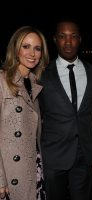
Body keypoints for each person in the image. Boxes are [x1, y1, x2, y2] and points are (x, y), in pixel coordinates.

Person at [39, 18, 92, 200]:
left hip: (85, 154)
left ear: (80, 40)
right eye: (62, 36)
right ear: (55, 40)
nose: (68, 41)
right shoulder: (41, 73)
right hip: (54, 154)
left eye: (73, 36)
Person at [0, 26, 49, 200]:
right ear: (15, 49)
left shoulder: (34, 84)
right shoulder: (2, 81)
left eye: (37, 48)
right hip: (10, 172)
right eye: (25, 46)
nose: (32, 53)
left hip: (34, 168)